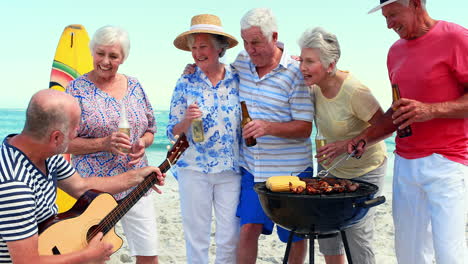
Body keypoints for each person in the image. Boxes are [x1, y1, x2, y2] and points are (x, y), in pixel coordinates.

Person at [347, 0, 468, 263]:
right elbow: (398, 109)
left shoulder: (457, 38)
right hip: (405, 164)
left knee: (449, 253)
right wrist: (365, 138)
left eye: (393, 15)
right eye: (385, 18)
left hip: (447, 163)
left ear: (415, 4)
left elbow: (427, 108)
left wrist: (431, 110)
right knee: (409, 254)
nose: (389, 24)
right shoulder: (394, 52)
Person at [0, 89, 165, 263]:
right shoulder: (14, 185)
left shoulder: (45, 154)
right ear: (56, 137)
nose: (77, 131)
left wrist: (136, 177)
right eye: (75, 127)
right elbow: (27, 262)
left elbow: (81, 187)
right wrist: (88, 256)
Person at [65, 25, 160, 264]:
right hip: (94, 189)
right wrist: (104, 143)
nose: (105, 61)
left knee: (148, 253)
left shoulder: (135, 86)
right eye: (100, 53)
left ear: (123, 58)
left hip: (137, 185)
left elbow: (151, 129)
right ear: (92, 52)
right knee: (93, 256)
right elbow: (63, 144)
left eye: (113, 56)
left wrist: (142, 143)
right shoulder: (75, 90)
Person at [298, 26, 388, 264]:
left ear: (330, 64)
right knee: (327, 235)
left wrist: (347, 143)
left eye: (310, 61)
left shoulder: (354, 91)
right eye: (301, 59)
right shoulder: (314, 84)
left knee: (357, 233)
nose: (303, 67)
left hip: (366, 171)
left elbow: (385, 126)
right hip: (332, 169)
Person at [234, 8, 314, 264]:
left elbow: (304, 127)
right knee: (247, 229)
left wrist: (268, 127)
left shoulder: (294, 72)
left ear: (274, 36)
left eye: (255, 42)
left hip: (290, 170)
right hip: (252, 168)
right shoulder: (241, 63)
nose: (250, 49)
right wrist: (195, 66)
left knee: (294, 235)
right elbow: (215, 71)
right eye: (246, 42)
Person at [167, 14, 241, 264]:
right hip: (193, 170)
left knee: (229, 238)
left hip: (231, 170)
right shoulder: (185, 80)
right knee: (196, 238)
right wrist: (187, 120)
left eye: (203, 46)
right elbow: (172, 130)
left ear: (220, 48)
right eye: (194, 48)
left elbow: (267, 62)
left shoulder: (238, 77)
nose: (198, 53)